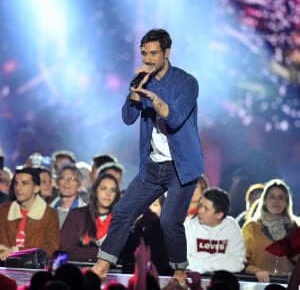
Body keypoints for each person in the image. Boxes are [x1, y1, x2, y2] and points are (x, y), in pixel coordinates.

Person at [92, 28, 205, 285]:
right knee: (123, 212)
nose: (148, 59)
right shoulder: (143, 80)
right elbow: (128, 117)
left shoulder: (187, 82)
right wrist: (135, 92)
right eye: (144, 53)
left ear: (166, 52)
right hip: (153, 166)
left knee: (169, 221)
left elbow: (175, 119)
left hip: (182, 167)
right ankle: (101, 266)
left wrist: (156, 101)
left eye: (153, 53)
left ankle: (179, 273)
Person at [242, 178, 299, 283]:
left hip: (287, 285)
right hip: (256, 285)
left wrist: (295, 275)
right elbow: (241, 262)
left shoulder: (296, 228)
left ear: (286, 202)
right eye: (272, 197)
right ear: (264, 201)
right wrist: (257, 271)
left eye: (281, 197)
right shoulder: (251, 228)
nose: (276, 201)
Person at [0, 167, 60, 261]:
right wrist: (2, 251)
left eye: (24, 183)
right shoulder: (3, 210)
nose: (18, 188)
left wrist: (17, 251)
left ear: (36, 188)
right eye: (16, 183)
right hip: (4, 267)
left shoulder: (49, 214)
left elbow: (52, 248)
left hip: (34, 269)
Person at [60, 173, 121, 262]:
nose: (108, 194)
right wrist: (100, 252)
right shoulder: (77, 215)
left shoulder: (119, 221)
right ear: (95, 191)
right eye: (103, 189)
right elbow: (66, 250)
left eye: (113, 190)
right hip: (78, 271)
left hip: (110, 272)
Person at [184, 187, 245, 274]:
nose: (200, 211)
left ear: (219, 215)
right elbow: (184, 261)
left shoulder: (231, 226)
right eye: (200, 206)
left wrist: (203, 264)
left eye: (206, 209)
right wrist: (220, 263)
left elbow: (238, 264)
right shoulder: (189, 224)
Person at [50, 163, 86, 228]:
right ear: (57, 184)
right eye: (64, 178)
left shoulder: (86, 214)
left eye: (72, 179)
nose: (67, 182)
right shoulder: (47, 211)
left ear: (79, 187)